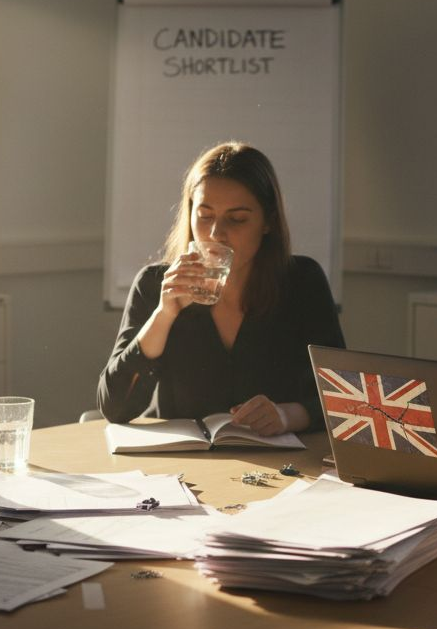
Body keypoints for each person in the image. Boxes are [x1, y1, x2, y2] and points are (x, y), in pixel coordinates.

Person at [98, 142, 345, 435]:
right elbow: (115, 407)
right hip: (180, 467)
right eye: (204, 216)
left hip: (277, 466)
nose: (216, 234)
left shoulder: (301, 282)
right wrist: (164, 316)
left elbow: (344, 399)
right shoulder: (155, 285)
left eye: (237, 219)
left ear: (268, 222)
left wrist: (287, 415)